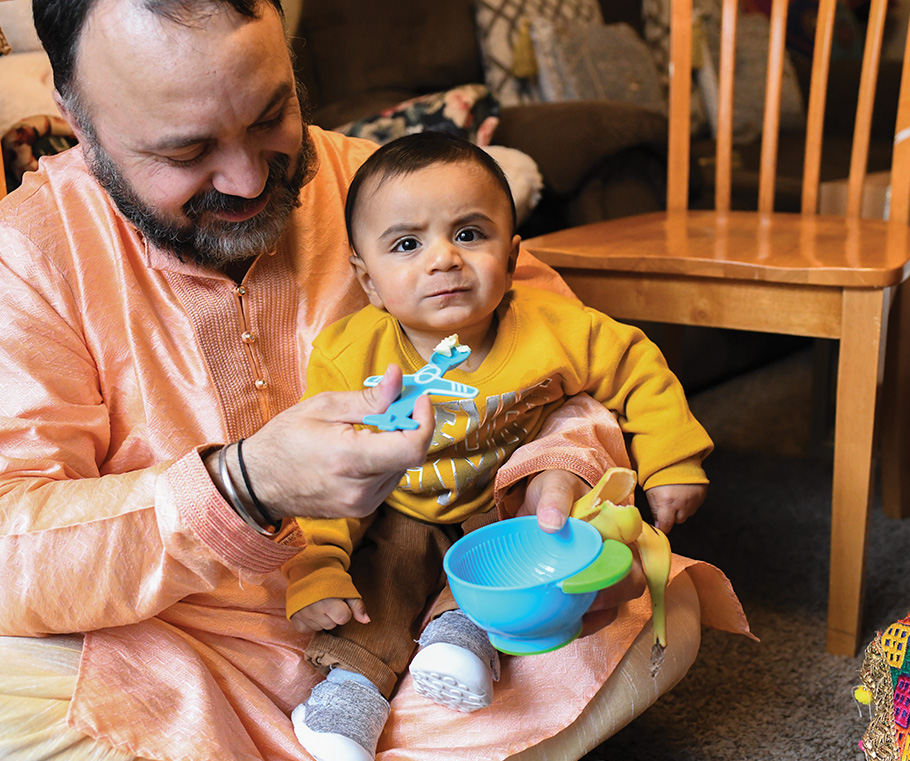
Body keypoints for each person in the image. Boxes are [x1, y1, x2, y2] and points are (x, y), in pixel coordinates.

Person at [0, 1, 751, 760]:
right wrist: (241, 486)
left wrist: (553, 472)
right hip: (182, 649)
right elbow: (12, 543)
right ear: (78, 117)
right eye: (186, 152)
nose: (249, 178)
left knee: (662, 612)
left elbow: (560, 347)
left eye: (271, 116)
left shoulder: (380, 180)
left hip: (437, 599)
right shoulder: (28, 255)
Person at [285, 132, 713, 761]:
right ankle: (351, 693)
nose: (443, 260)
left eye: (469, 234)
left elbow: (634, 365)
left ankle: (464, 637)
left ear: (511, 258)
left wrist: (673, 459)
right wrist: (316, 566)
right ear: (367, 279)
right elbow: (327, 470)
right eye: (407, 244)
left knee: (530, 561)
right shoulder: (351, 354)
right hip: (399, 510)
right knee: (379, 587)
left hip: (502, 506)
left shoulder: (550, 328)